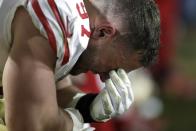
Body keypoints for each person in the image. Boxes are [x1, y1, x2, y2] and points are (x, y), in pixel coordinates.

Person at [0, 0, 160, 131]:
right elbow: (29, 125)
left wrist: (88, 106)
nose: (105, 78)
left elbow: (56, 88)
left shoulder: (75, 22)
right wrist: (76, 122)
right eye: (113, 68)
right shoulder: (60, 19)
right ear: (103, 32)